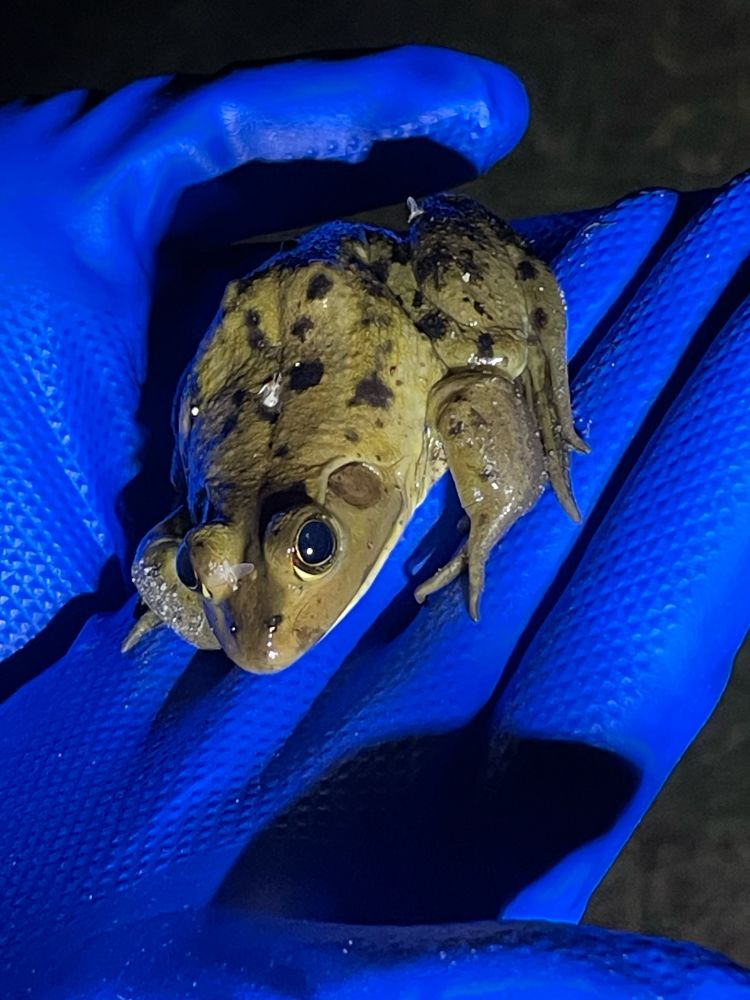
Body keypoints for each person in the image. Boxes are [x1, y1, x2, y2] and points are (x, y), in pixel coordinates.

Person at [0, 45, 748, 996]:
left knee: (490, 346)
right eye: (220, 572)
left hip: (374, 302)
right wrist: (184, 583)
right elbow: (167, 555)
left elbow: (473, 406)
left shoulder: (372, 459)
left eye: (307, 546)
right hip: (261, 364)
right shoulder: (220, 548)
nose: (260, 631)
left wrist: (497, 507)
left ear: (343, 499)